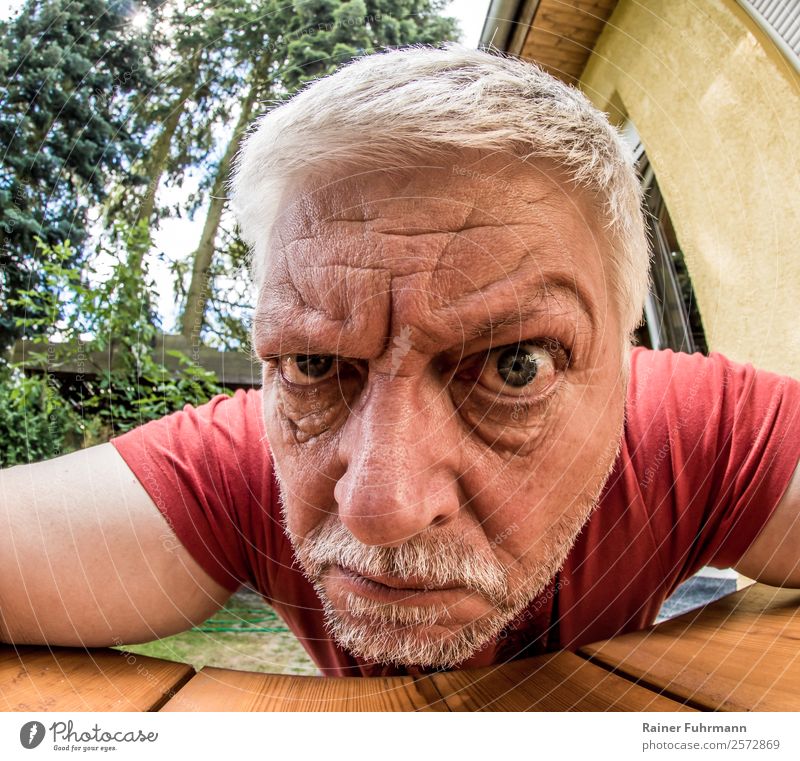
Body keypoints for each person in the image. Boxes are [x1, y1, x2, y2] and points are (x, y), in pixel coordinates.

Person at [1, 45, 798, 677]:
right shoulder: (248, 458)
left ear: (625, 366)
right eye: (313, 360)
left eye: (514, 365)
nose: (380, 506)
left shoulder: (693, 431)